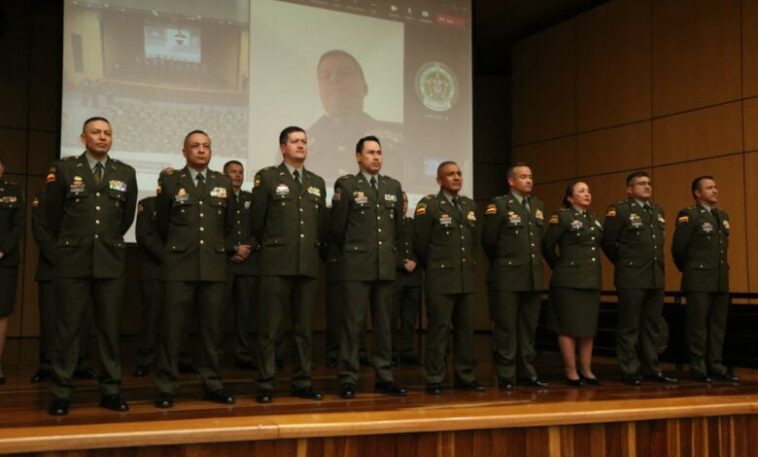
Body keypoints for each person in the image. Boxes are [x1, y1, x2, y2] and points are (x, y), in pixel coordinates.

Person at [46, 117, 137, 415]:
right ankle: (61, 391)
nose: (103, 137)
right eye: (96, 133)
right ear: (83, 138)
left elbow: (124, 219)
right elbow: (53, 216)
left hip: (109, 260)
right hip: (73, 260)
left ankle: (111, 391)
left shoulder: (125, 171)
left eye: (108, 133)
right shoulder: (63, 169)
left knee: (109, 329)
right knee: (68, 329)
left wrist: (104, 241)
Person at [154, 130, 237, 408]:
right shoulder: (170, 182)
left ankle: (213, 383)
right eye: (195, 146)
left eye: (206, 146)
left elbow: (229, 225)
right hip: (179, 266)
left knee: (212, 330)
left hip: (213, 266)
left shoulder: (223, 182)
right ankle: (166, 386)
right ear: (184, 152)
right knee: (173, 329)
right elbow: (161, 225)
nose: (201, 150)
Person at [251, 126, 328, 403]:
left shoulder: (316, 182)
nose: (301, 145)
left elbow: (320, 225)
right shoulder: (268, 177)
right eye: (295, 141)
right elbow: (257, 222)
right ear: (283, 148)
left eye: (304, 141)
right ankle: (266, 383)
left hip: (306, 263)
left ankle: (302, 382)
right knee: (270, 328)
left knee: (304, 329)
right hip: (276, 262)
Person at [330, 135, 406, 399]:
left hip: (384, 265)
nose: (376, 157)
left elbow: (397, 228)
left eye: (379, 152)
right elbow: (337, 228)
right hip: (357, 265)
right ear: (358, 157)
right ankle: (348, 377)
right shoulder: (347, 185)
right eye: (370, 153)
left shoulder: (392, 186)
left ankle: (384, 376)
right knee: (353, 324)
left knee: (385, 326)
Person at [601, 171, 678, 386]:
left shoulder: (656, 210)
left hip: (655, 276)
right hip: (631, 276)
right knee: (629, 325)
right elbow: (608, 242)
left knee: (652, 325)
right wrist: (625, 263)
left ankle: (652, 368)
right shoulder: (620, 210)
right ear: (629, 189)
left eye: (649, 183)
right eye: (641, 183)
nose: (647, 186)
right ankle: (630, 369)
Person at [413, 161, 484, 394]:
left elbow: (474, 244)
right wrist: (434, 267)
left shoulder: (469, 205)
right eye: (450, 174)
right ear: (439, 180)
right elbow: (421, 244)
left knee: (465, 330)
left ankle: (465, 375)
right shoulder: (429, 205)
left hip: (465, 278)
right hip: (440, 279)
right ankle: (434, 377)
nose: (456, 177)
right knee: (439, 329)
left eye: (458, 173)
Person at [481, 163, 547, 390]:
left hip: (532, 276)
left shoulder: (537, 205)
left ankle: (527, 372)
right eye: (523, 177)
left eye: (530, 176)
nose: (529, 180)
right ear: (511, 181)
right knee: (506, 328)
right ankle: (506, 374)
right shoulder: (499, 206)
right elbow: (489, 241)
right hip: (507, 276)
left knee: (528, 328)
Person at [671, 176, 738, 383]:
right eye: (709, 188)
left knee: (717, 326)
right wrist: (691, 271)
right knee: (697, 326)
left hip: (719, 280)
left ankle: (716, 366)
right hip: (698, 279)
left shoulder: (722, 216)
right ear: (697, 193)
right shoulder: (689, 216)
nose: (715, 191)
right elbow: (678, 249)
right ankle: (698, 367)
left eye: (716, 187)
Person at [308, 50, 403, 183]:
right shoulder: (298, 143)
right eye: (325, 76)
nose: (334, 79)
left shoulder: (401, 135)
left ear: (364, 88)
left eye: (345, 73)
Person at [541, 181, 603, 386]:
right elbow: (547, 246)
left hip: (591, 280)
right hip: (568, 281)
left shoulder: (594, 219)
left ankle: (586, 369)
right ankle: (571, 371)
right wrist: (561, 267)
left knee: (587, 328)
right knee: (567, 327)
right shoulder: (563, 217)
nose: (587, 194)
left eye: (588, 190)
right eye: (581, 191)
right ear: (569, 198)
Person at [30, 190, 94, 383]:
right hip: (52, 266)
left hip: (80, 265)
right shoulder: (43, 196)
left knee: (83, 317)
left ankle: (81, 363)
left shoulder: (84, 196)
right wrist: (61, 259)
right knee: (50, 319)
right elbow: (39, 230)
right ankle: (47, 365)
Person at [223, 160, 257, 371]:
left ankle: (242, 354)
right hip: (224, 262)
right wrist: (232, 248)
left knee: (245, 313)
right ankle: (215, 354)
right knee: (217, 313)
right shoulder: (217, 196)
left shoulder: (250, 199)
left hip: (248, 263)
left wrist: (248, 247)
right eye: (233, 172)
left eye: (240, 172)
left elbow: (260, 225)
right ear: (224, 175)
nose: (237, 175)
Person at [0, 157, 25, 386]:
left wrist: (2, 249)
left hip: (5, 261)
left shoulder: (13, 191)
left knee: (1, 313)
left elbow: (19, 224)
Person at [392, 192, 422, 366]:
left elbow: (422, 245)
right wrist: (401, 262)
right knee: (392, 317)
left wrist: (415, 262)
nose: (403, 204)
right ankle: (392, 351)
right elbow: (386, 247)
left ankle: (407, 349)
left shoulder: (414, 223)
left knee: (410, 317)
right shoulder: (388, 224)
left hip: (413, 276)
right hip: (395, 276)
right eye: (400, 201)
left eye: (405, 201)